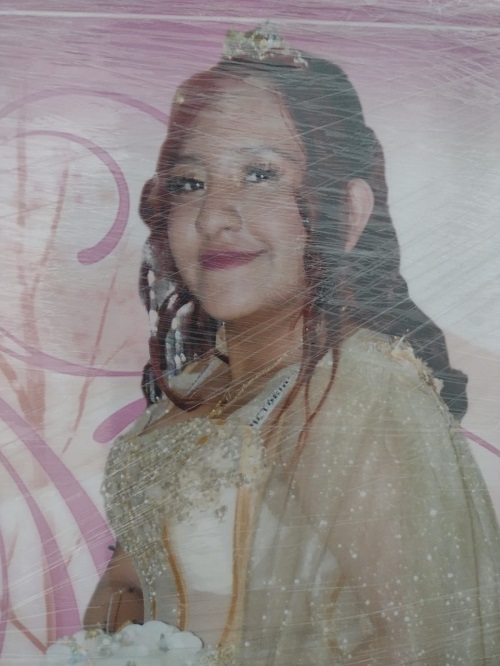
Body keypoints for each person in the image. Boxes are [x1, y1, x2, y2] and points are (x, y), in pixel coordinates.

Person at [84, 25, 500, 664]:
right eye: (190, 182)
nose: (215, 214)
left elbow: (424, 646)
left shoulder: (357, 392)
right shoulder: (192, 389)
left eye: (260, 174)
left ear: (349, 212)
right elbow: (128, 588)